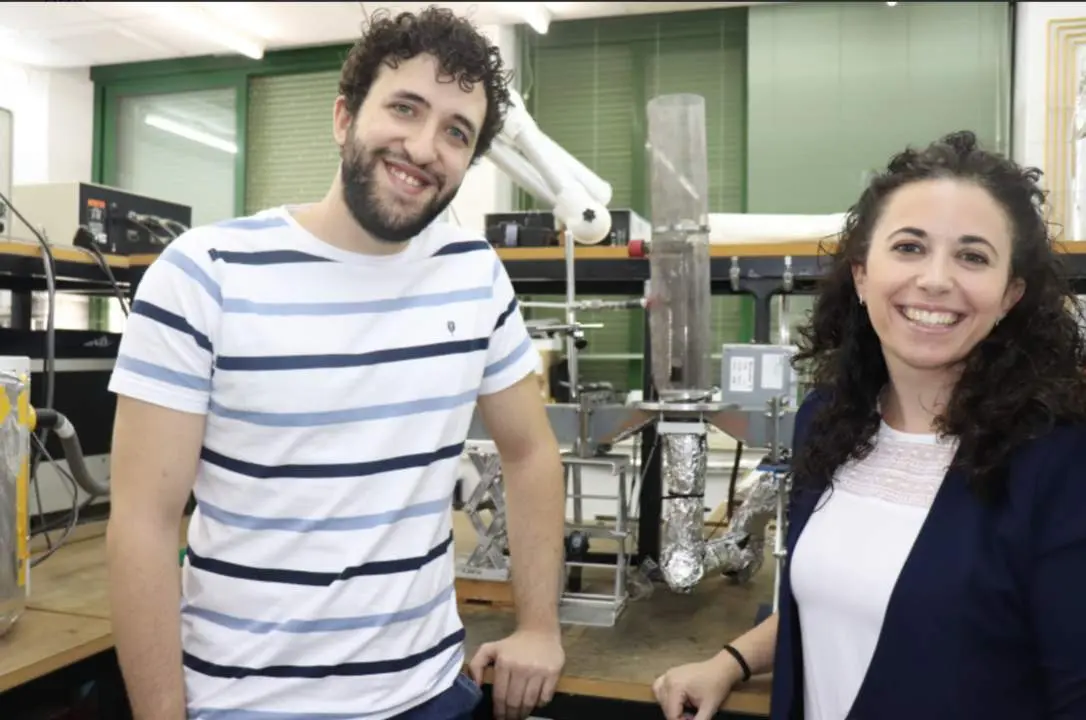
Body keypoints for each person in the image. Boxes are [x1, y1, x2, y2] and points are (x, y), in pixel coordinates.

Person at [105, 7, 566, 720]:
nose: (423, 146)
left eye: (455, 132)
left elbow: (531, 452)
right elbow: (143, 521)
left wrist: (539, 625)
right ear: (344, 117)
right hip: (246, 702)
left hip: (431, 696)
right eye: (405, 108)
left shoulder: (475, 275)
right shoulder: (205, 274)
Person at [652, 131, 1086, 719]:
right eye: (909, 247)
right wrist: (730, 660)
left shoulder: (1057, 459)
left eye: (973, 256)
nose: (935, 279)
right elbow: (847, 597)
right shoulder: (829, 421)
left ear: (1010, 294)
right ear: (861, 274)